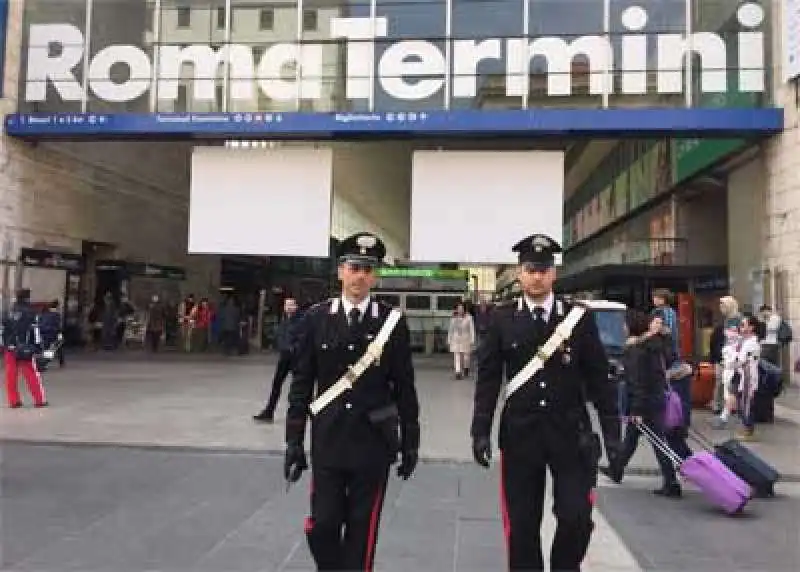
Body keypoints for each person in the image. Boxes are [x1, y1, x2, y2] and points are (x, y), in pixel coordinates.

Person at [471, 234, 621, 572]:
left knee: (576, 517)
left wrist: (613, 434)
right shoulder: (500, 318)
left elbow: (599, 378)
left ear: (553, 274)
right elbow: (489, 379)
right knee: (522, 526)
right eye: (530, 269)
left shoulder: (578, 318)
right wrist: (479, 430)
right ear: (519, 274)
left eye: (543, 269)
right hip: (521, 436)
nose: (537, 276)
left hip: (571, 435)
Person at [284, 231, 420, 571]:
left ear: (375, 276)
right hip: (329, 441)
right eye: (353, 266)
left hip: (373, 444)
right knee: (323, 525)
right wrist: (293, 441)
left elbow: (404, 385)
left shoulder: (391, 322)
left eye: (367, 269)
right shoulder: (316, 319)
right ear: (340, 271)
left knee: (363, 534)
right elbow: (302, 384)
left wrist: (411, 442)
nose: (360, 275)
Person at [605, 310, 682, 498]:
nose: (622, 328)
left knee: (658, 442)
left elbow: (638, 381)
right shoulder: (653, 345)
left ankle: (671, 482)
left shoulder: (637, 349)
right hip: (654, 398)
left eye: (624, 324)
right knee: (631, 437)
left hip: (644, 403)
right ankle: (617, 469)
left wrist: (637, 409)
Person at [254, 297, 304, 422]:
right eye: (286, 305)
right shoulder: (284, 321)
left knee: (299, 386)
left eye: (291, 305)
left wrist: (294, 348)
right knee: (276, 384)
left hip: (295, 357)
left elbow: (303, 338)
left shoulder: (301, 321)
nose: (288, 307)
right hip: (284, 356)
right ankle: (269, 411)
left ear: (296, 306)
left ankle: (298, 413)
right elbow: (281, 335)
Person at [1, 289, 48, 408]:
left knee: (10, 374)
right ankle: (39, 400)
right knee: (31, 374)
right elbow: (34, 330)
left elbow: (3, 329)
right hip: (24, 347)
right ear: (27, 298)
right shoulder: (30, 312)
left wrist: (5, 344)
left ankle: (14, 401)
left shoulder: (9, 312)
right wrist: (38, 347)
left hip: (10, 347)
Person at [448, 302, 475, 379]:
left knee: (466, 357)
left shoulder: (469, 317)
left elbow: (472, 329)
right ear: (456, 309)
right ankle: (458, 372)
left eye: (461, 308)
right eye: (458, 308)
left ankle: (466, 368)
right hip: (456, 339)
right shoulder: (453, 318)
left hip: (465, 338)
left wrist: (472, 339)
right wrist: (449, 339)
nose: (460, 310)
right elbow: (451, 329)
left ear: (464, 309)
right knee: (457, 356)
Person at [38, 300, 65, 367]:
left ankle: (44, 362)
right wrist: (60, 333)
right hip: (53, 332)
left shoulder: (43, 314)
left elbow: (40, 323)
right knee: (58, 347)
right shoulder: (56, 314)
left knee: (46, 347)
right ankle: (61, 361)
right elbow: (58, 325)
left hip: (44, 333)